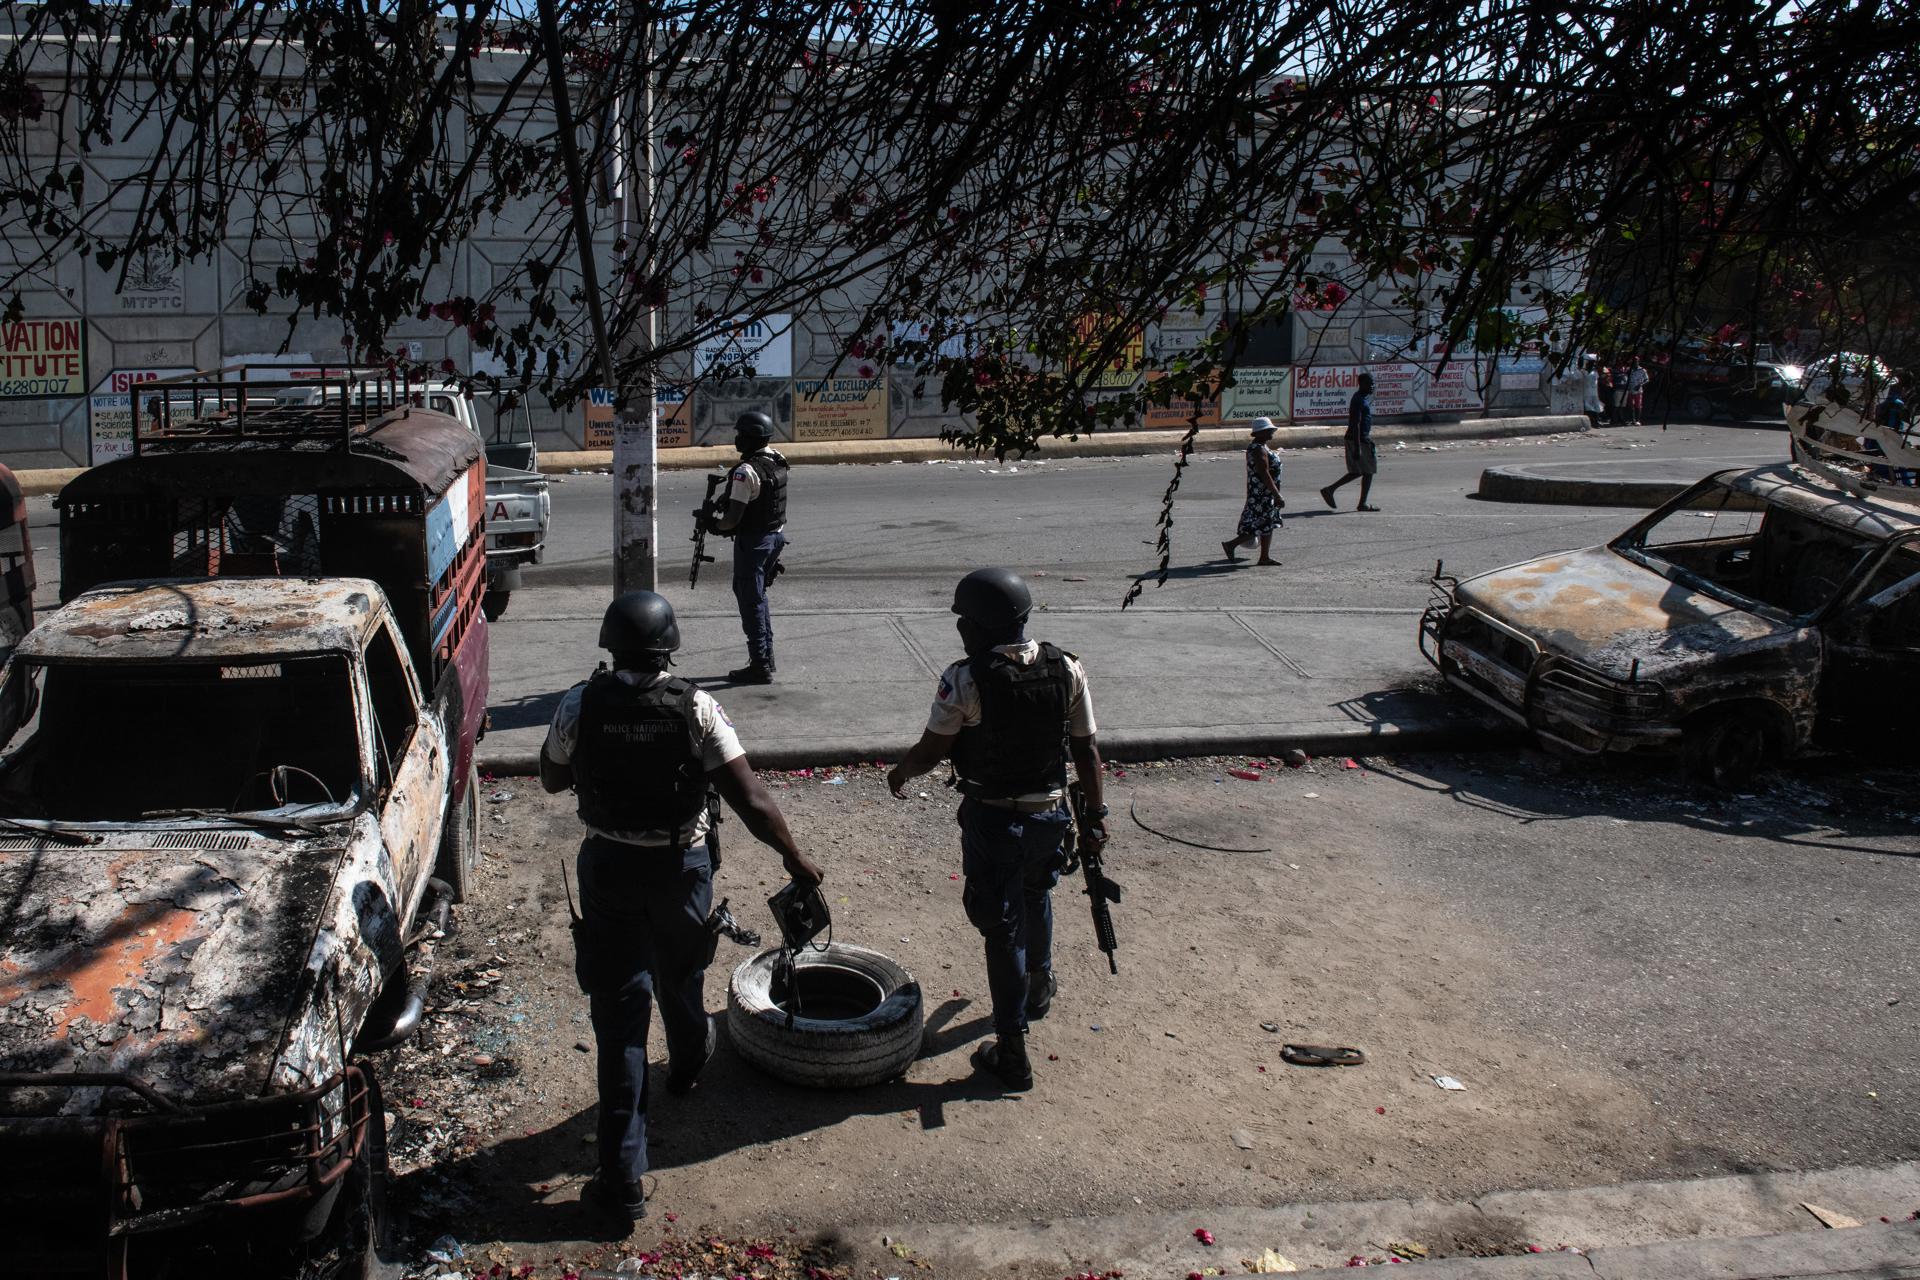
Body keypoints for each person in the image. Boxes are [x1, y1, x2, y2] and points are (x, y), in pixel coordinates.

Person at [540, 591, 823, 1223]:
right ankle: (689, 1060)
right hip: (680, 869)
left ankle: (621, 1180)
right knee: (682, 972)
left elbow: (553, 778)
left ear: (611, 645)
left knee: (619, 1019)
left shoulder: (579, 702)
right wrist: (794, 859)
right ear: (670, 646)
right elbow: (750, 797)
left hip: (609, 867)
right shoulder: (696, 707)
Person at [884, 568, 1106, 1093]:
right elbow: (1087, 750)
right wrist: (1095, 818)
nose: (960, 628)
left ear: (977, 628)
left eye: (964, 620)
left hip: (994, 818)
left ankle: (1012, 1052)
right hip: (1050, 816)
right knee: (1037, 893)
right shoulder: (1066, 667)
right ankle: (1039, 984)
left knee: (1001, 927)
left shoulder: (965, 678)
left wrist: (899, 774)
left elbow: (932, 750)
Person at [707, 410, 789, 684]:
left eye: (741, 435)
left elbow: (732, 520)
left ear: (752, 438)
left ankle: (760, 665)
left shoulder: (746, 471)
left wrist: (714, 525)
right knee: (759, 597)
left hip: (754, 543)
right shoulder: (776, 459)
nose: (737, 439)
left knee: (750, 599)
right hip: (774, 537)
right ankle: (767, 658)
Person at [1221, 417, 1285, 564]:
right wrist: (1277, 494)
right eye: (1268, 430)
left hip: (1265, 494)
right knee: (1256, 525)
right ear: (1260, 432)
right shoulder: (1257, 449)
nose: (1271, 432)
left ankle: (1264, 557)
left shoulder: (1262, 447)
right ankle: (1231, 545)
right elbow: (1265, 474)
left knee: (1267, 525)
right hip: (1261, 495)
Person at [1320, 372, 1379, 511]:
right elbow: (1356, 424)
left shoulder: (1362, 399)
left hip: (1362, 439)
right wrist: (1357, 446)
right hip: (1356, 439)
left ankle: (1360, 502)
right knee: (1362, 471)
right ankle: (1331, 490)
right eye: (1369, 384)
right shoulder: (1358, 399)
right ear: (1361, 384)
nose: (1372, 386)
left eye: (1373, 384)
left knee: (1365, 471)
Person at [1624, 356, 1649, 425]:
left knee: (1638, 405)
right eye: (1633, 361)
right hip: (1630, 389)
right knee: (1631, 405)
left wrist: (1641, 384)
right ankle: (1632, 420)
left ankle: (1638, 420)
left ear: (1638, 362)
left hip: (1638, 390)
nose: (1634, 362)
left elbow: (1647, 379)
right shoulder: (1629, 369)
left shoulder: (1642, 370)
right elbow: (1625, 377)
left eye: (1636, 361)